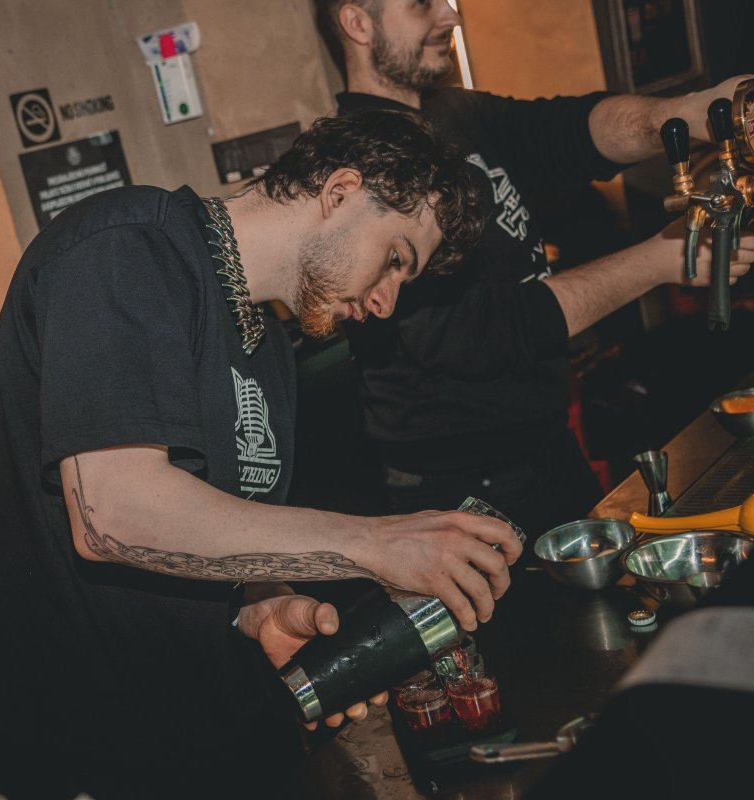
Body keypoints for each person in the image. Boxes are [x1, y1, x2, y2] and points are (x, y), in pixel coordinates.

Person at [0, 110, 522, 800]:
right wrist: (375, 544)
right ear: (340, 191)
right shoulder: (126, 249)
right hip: (55, 748)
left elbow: (205, 536)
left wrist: (260, 605)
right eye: (395, 259)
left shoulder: (269, 352)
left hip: (172, 738)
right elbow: (113, 518)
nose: (387, 302)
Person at [314, 0, 754, 542]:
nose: (451, 17)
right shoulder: (355, 163)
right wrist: (660, 258)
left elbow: (570, 133)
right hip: (459, 485)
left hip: (544, 444)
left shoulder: (452, 109)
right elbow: (478, 332)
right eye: (421, 4)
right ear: (357, 23)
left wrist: (689, 113)